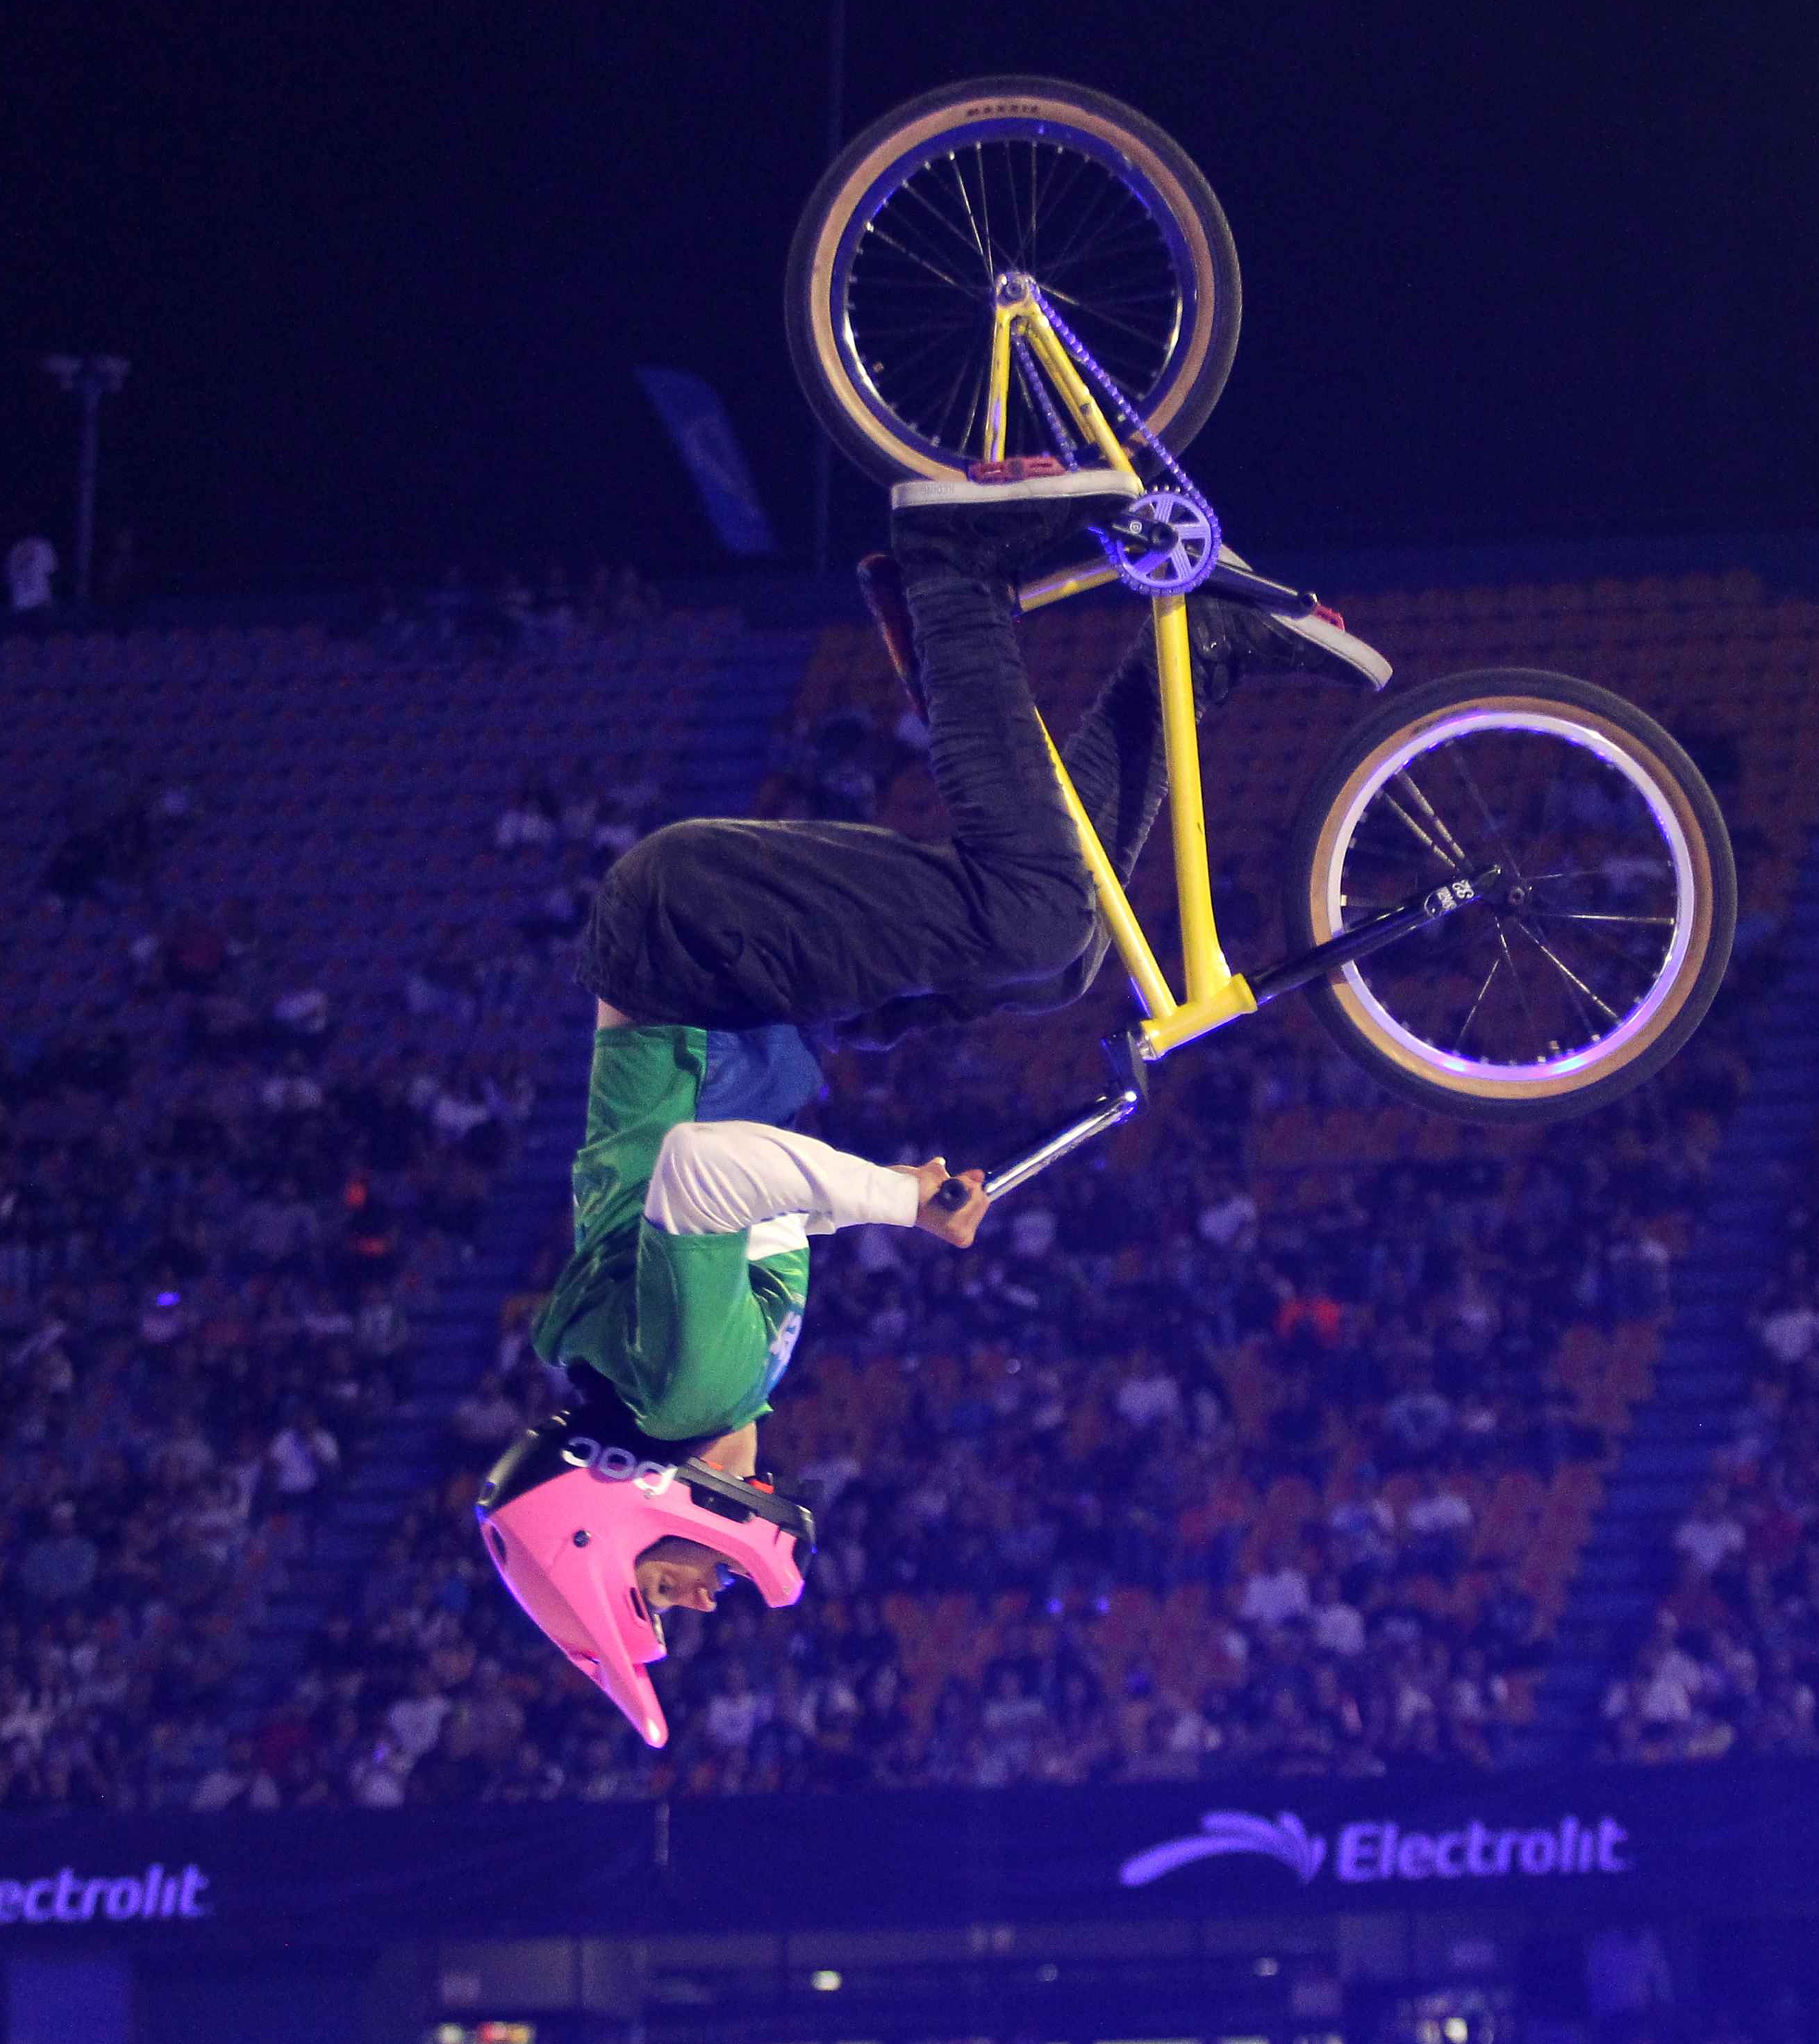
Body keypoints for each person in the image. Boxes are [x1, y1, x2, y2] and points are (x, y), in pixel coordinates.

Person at [483, 459, 1388, 1738]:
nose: (698, 1600)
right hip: (732, 982)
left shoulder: (681, 1388)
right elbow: (754, 1208)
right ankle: (1209, 655)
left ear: (613, 1515)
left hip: (695, 950)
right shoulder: (697, 1384)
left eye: (659, 1595)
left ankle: (952, 570)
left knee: (1026, 912)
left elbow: (703, 1170)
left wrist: (898, 1202)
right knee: (1059, 956)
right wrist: (874, 1205)